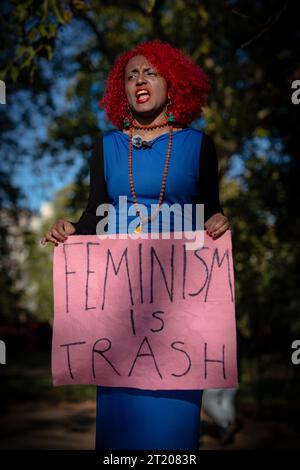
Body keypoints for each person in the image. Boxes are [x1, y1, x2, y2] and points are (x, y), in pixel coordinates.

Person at [41, 39, 230, 450]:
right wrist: (69, 228)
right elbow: (93, 214)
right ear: (121, 90)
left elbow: (209, 211)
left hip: (180, 313)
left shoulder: (199, 145)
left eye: (150, 72)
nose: (139, 80)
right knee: (120, 435)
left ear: (171, 84)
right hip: (119, 313)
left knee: (172, 434)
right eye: (130, 76)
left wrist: (217, 220)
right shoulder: (106, 146)